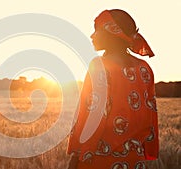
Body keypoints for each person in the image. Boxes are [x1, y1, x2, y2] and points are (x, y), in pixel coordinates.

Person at [67, 9, 159, 169]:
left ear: (113, 33)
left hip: (100, 159)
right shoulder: (145, 68)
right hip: (135, 160)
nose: (92, 35)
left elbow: (93, 115)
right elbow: (151, 114)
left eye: (97, 30)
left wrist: (78, 155)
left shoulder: (100, 66)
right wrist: (148, 149)